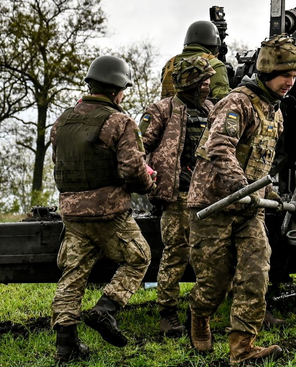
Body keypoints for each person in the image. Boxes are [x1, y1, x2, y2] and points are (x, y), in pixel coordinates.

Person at [186, 34, 296, 365]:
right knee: (214, 283)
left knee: (256, 274)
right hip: (215, 205)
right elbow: (219, 147)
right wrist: (243, 187)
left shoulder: (274, 112)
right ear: (267, 71)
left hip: (250, 210)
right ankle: (199, 315)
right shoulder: (236, 103)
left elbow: (262, 161)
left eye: (295, 76)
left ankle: (242, 348)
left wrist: (270, 194)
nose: (290, 83)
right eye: (285, 75)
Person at [50, 55, 156, 363]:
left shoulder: (62, 121)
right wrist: (148, 182)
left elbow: (61, 163)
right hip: (109, 213)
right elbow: (134, 172)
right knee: (140, 258)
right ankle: (105, 310)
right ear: (116, 90)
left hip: (71, 213)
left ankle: (66, 345)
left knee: (73, 274)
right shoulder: (120, 122)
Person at [139, 56, 216, 337]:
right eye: (203, 82)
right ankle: (167, 313)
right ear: (189, 83)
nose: (207, 86)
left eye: (209, 81)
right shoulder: (162, 110)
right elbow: (138, 146)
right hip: (176, 196)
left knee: (208, 256)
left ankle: (199, 312)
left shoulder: (212, 109)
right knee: (175, 254)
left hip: (206, 197)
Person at [160, 20, 230, 101]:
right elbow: (223, 100)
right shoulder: (214, 64)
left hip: (165, 112)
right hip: (201, 113)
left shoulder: (169, 64)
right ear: (215, 43)